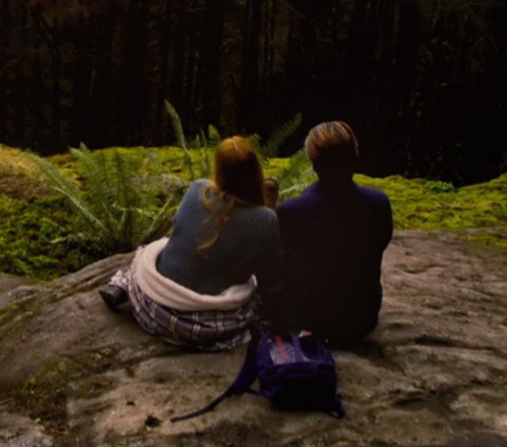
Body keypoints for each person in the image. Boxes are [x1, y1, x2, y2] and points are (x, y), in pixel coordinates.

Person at [99, 136, 282, 350]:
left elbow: (179, 229)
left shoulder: (198, 189)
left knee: (149, 252)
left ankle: (120, 286)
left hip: (153, 306)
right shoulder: (266, 219)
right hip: (204, 325)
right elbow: (270, 271)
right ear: (255, 172)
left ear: (220, 170)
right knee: (252, 293)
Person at [270, 121, 392, 346]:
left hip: (308, 317)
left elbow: (278, 265)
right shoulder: (378, 204)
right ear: (354, 155)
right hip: (361, 317)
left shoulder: (292, 211)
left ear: (313, 162)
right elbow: (379, 245)